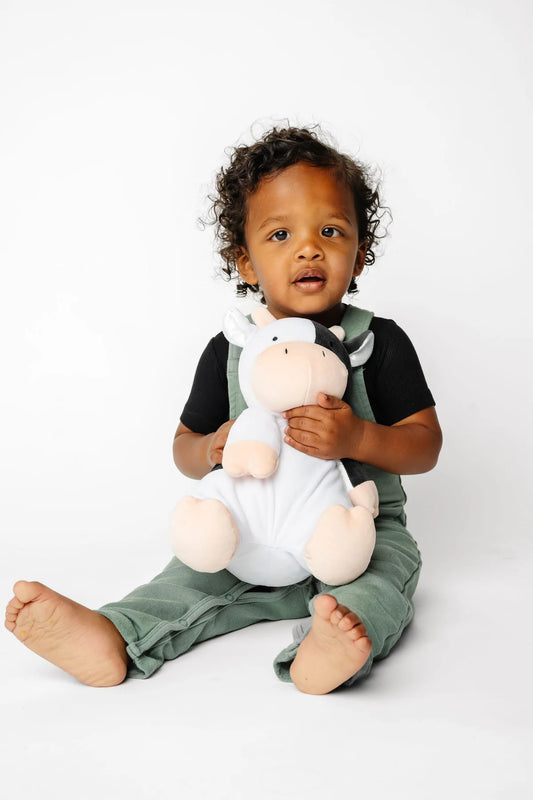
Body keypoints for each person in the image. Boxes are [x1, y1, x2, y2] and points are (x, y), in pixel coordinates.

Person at [5, 126, 442, 694]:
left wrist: (358, 438)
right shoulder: (230, 351)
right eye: (280, 234)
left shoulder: (378, 342)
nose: (308, 249)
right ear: (246, 263)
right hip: (250, 530)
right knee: (187, 576)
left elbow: (424, 446)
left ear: (359, 254)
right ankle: (115, 634)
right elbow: (183, 448)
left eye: (331, 231)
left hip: (358, 531)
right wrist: (213, 447)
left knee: (382, 582)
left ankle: (330, 647)